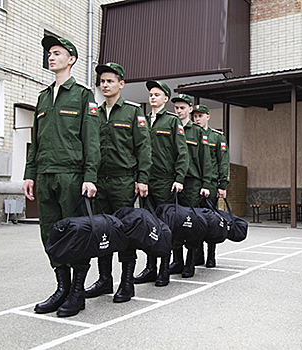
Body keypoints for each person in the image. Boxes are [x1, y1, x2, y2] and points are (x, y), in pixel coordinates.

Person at [22, 36, 100, 317]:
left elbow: (91, 140)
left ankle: (77, 292)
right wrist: (29, 174)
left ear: (72, 59)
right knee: (50, 235)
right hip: (45, 175)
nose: (51, 57)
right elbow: (37, 140)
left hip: (72, 176)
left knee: (76, 234)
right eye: (49, 54)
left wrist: (89, 177)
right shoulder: (43, 97)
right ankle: (62, 288)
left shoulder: (82, 95)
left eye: (57, 53)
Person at [84, 62, 151, 303]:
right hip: (100, 181)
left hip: (124, 181)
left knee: (124, 231)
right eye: (102, 81)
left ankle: (126, 281)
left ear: (121, 84)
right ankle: (104, 280)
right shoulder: (95, 112)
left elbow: (144, 148)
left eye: (110, 81)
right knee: (102, 231)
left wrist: (142, 178)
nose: (105, 85)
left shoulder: (133, 112)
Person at [133, 81, 189, 287]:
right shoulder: (141, 120)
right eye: (151, 94)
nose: (153, 97)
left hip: (165, 181)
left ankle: (164, 268)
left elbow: (182, 153)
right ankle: (150, 267)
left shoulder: (173, 121)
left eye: (157, 94)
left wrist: (179, 178)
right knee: (148, 225)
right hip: (145, 181)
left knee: (165, 226)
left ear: (165, 99)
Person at [169, 94, 211, 278]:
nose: (179, 111)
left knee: (191, 223)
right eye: (176, 108)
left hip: (192, 183)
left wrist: (206, 183)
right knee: (174, 222)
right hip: (173, 182)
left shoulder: (198, 132)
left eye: (182, 108)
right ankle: (177, 260)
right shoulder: (170, 126)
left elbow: (206, 160)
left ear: (190, 109)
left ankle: (190, 261)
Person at [192, 104, 230, 268]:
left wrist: (223, 184)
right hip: (194, 185)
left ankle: (211, 255)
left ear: (208, 116)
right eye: (195, 116)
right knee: (196, 221)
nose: (197, 119)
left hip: (212, 185)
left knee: (211, 221)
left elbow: (223, 162)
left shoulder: (217, 137)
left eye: (200, 116)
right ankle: (198, 255)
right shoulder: (191, 134)